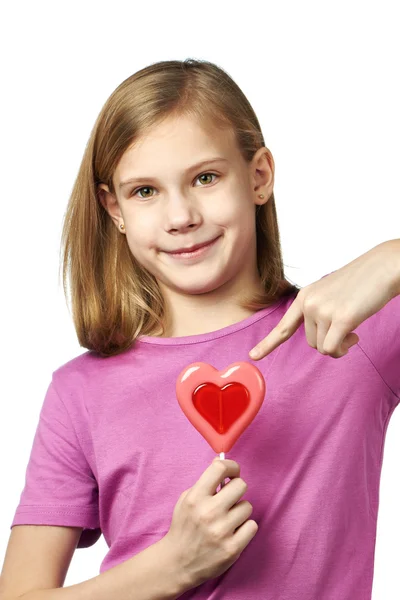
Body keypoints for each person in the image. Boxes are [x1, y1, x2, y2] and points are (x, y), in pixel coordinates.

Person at [2, 58, 400, 600]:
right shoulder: (80, 393)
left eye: (205, 178)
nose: (181, 215)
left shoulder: (349, 332)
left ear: (258, 177)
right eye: (145, 191)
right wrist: (170, 567)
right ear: (113, 208)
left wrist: (390, 259)